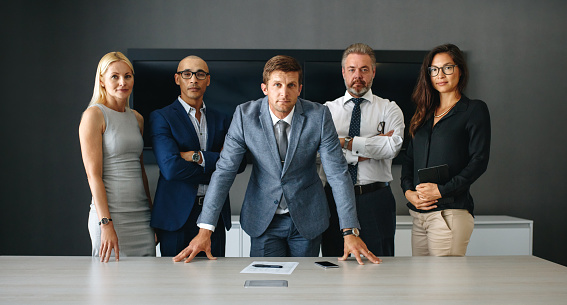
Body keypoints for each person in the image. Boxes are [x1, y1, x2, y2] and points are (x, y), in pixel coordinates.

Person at [174, 55, 381, 265]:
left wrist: (350, 230)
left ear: (299, 89)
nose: (284, 93)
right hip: (263, 219)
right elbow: (225, 171)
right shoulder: (245, 116)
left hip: (307, 217)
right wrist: (205, 229)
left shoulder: (319, 116)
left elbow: (337, 173)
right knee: (266, 290)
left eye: (291, 85)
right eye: (277, 85)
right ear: (265, 88)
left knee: (303, 290)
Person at [150, 56, 245, 257]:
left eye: (200, 74)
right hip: (176, 216)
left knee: (214, 283)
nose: (194, 79)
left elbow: (240, 163)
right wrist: (218, 166)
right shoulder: (162, 117)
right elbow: (171, 168)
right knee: (174, 283)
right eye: (187, 74)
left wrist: (196, 156)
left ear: (208, 80)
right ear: (178, 79)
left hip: (214, 216)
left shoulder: (223, 119)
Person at [400, 43, 491, 256]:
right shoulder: (423, 114)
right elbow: (409, 159)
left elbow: (479, 161)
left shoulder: (474, 110)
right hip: (419, 215)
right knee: (421, 286)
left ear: (460, 70)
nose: (440, 75)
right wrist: (408, 192)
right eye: (434, 69)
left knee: (445, 286)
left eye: (447, 68)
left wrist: (442, 190)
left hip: (449, 214)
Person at [320, 43, 404, 257]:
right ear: (343, 72)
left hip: (376, 199)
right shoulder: (326, 111)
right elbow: (320, 154)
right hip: (334, 198)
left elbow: (392, 147)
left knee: (381, 264)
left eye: (364, 69)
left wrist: (343, 142)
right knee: (335, 262)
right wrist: (373, 145)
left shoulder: (389, 108)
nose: (358, 75)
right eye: (352, 69)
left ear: (373, 72)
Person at [79, 51, 155, 262]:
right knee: (109, 288)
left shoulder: (137, 118)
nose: (123, 82)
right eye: (115, 76)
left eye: (128, 76)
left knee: (146, 288)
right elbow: (93, 176)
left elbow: (140, 170)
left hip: (141, 217)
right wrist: (106, 223)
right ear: (102, 80)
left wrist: (152, 216)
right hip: (110, 217)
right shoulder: (94, 115)